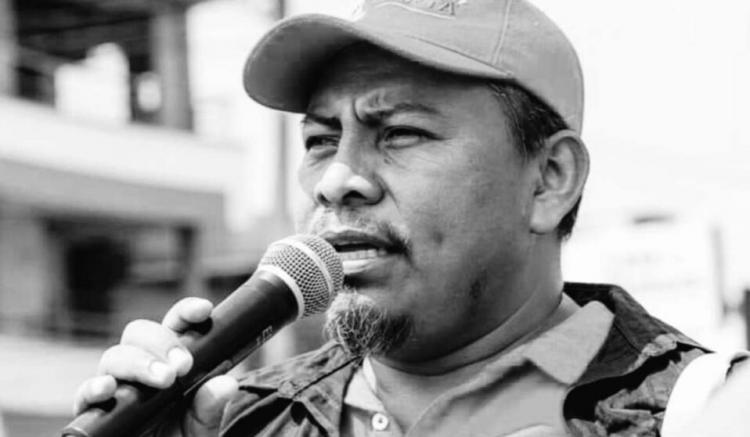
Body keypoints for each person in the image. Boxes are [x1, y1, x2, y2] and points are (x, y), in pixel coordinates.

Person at [73, 0, 709, 435]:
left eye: (400, 133)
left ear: (550, 180)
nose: (336, 180)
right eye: (321, 140)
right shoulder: (245, 420)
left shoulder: (701, 412)